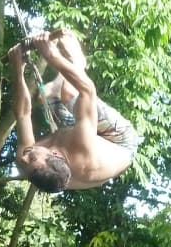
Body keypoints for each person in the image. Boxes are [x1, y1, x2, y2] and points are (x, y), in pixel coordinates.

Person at [9, 29, 143, 192]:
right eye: (31, 157)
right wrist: (51, 55)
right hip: (120, 142)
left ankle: (56, 85)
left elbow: (22, 113)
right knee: (69, 93)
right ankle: (79, 61)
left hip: (80, 140)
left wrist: (17, 68)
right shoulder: (82, 152)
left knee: (47, 95)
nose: (24, 156)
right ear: (55, 154)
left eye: (26, 161)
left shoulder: (27, 165)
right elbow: (87, 90)